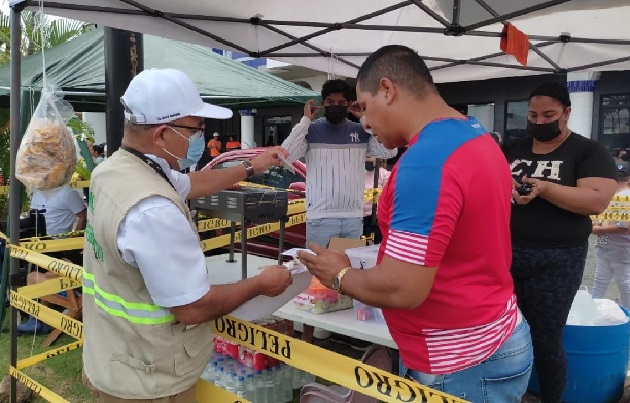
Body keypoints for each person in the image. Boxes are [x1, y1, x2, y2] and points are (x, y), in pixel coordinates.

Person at [299, 45, 533, 402]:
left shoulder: (426, 161)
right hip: (492, 331)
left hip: (459, 360)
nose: (364, 123)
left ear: (388, 90)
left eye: (363, 106)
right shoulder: (475, 135)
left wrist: (340, 276)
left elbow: (403, 288)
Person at [82, 68, 292, 402]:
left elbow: (192, 184)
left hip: (115, 355)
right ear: (163, 134)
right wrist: (260, 284)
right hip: (151, 380)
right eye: (196, 129)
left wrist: (253, 166)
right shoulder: (154, 209)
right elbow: (192, 308)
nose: (201, 137)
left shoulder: (115, 170)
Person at [502, 82, 617, 403]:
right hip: (506, 253)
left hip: (558, 259)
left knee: (546, 338)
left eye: (549, 115)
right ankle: (510, 394)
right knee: (505, 334)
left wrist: (545, 188)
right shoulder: (512, 149)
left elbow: (595, 200)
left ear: (567, 112)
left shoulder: (587, 151)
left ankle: (550, 398)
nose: (540, 122)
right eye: (533, 115)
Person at [282, 79, 396, 248]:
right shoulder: (311, 130)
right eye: (330, 102)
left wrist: (365, 119)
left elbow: (389, 151)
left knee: (348, 272)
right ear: (323, 104)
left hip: (353, 219)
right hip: (320, 219)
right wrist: (305, 120)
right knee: (318, 273)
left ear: (349, 105)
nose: (335, 105)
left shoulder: (360, 131)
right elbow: (286, 155)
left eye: (341, 102)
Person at [17, 185, 87, 334]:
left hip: (59, 247)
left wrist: (74, 236)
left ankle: (37, 318)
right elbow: (32, 218)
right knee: (30, 273)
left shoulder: (68, 193)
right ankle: (33, 316)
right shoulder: (37, 193)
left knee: (34, 276)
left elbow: (83, 214)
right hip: (39, 244)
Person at [592, 161, 630, 309]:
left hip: (621, 249)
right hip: (605, 246)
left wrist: (599, 229)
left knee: (624, 282)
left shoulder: (626, 197)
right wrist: (597, 224)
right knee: (601, 280)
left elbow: (624, 227)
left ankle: (627, 313)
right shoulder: (610, 195)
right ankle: (592, 309)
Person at [363, 157, 390, 243]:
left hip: (376, 219)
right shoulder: (355, 173)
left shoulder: (384, 174)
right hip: (358, 219)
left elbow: (389, 197)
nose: (367, 158)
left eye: (371, 155)